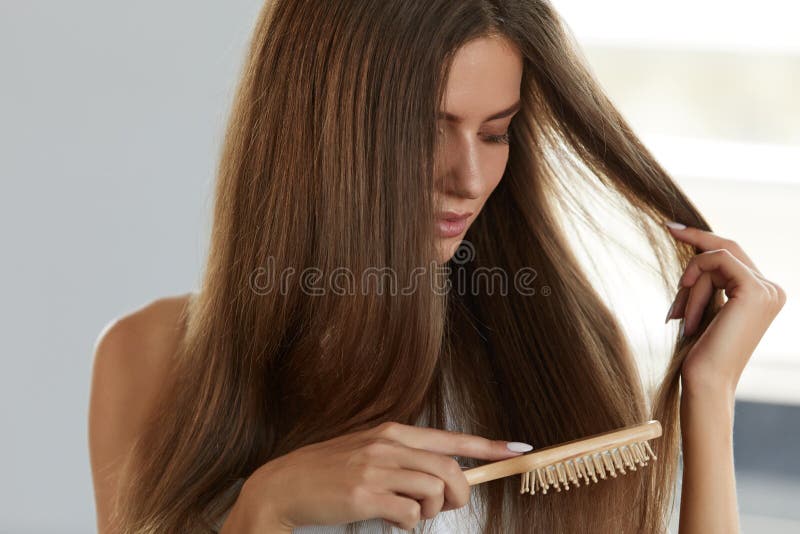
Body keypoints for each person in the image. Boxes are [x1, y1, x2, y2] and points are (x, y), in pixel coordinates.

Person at [88, 1, 786, 533]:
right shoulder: (150, 359)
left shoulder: (555, 354)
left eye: (496, 132)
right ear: (319, 127)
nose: (470, 179)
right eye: (428, 130)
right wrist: (262, 509)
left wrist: (711, 392)